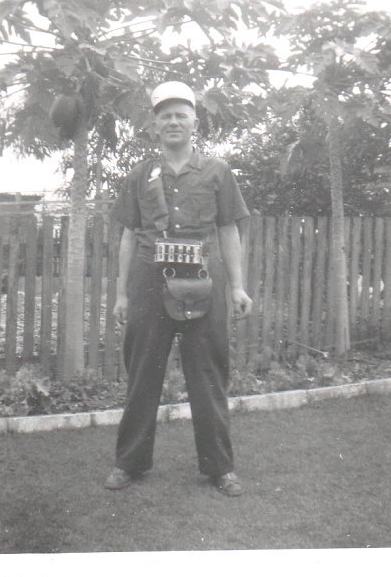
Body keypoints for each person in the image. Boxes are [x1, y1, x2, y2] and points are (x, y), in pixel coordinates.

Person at [105, 81, 252, 497]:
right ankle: (129, 463)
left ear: (194, 122)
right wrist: (121, 293)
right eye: (165, 115)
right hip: (150, 281)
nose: (173, 122)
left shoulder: (217, 171)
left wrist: (238, 287)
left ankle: (220, 467)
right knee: (142, 375)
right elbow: (130, 235)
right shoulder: (140, 174)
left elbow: (228, 230)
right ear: (154, 124)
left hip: (204, 281)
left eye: (180, 115)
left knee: (208, 375)